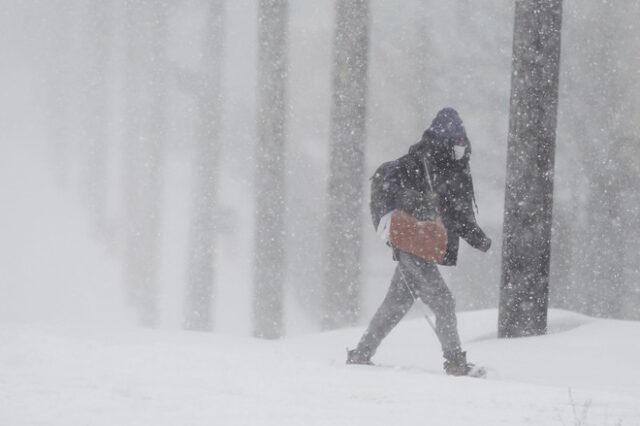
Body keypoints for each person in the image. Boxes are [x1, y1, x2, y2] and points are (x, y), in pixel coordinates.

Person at [347, 108, 492, 376]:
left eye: (463, 142)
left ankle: (361, 354)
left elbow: (453, 212)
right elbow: (405, 198)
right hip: (412, 243)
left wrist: (478, 239)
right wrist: (422, 203)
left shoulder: (447, 169)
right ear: (446, 141)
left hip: (418, 244)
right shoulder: (418, 164)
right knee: (444, 302)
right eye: (457, 142)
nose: (461, 148)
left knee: (396, 305)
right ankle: (456, 363)